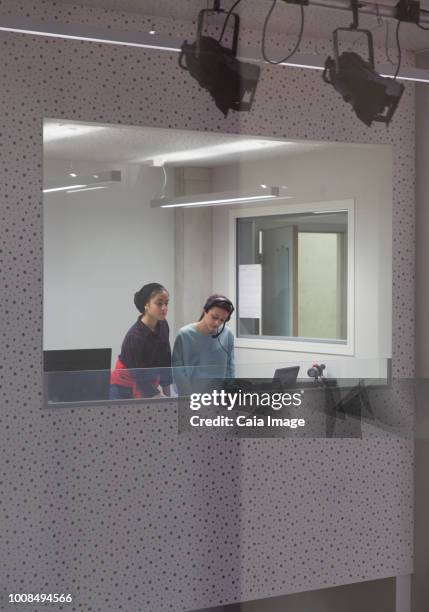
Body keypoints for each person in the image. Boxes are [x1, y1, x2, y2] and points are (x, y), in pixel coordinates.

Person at [110, 283, 172, 399]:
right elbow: (139, 376)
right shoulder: (135, 336)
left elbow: (166, 359)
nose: (164, 308)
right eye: (159, 303)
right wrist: (160, 396)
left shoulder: (163, 324)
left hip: (147, 383)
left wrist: (168, 395)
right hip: (123, 388)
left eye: (166, 303)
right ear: (146, 305)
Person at [172, 294, 235, 395]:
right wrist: (188, 396)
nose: (217, 323)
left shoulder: (227, 334)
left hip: (219, 396)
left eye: (222, 320)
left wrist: (231, 389)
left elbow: (230, 367)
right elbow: (178, 370)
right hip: (191, 395)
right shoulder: (184, 334)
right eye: (214, 317)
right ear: (205, 310)